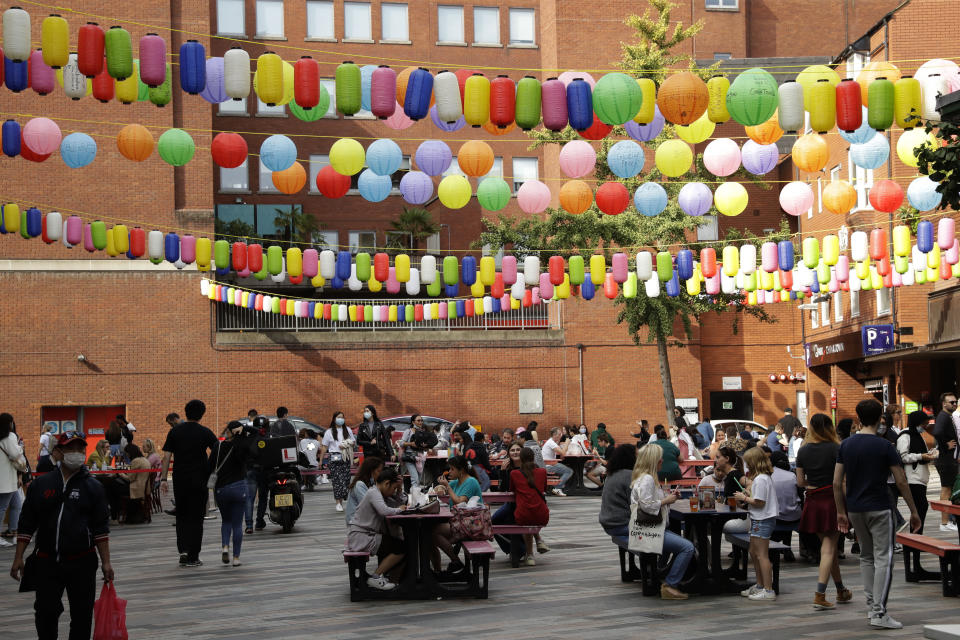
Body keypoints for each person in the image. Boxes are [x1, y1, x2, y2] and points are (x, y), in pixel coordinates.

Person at [10, 430, 114, 640]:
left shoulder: (93, 487)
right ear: (58, 452)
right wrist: (18, 556)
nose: (76, 452)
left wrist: (106, 562)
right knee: (45, 614)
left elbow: (100, 527)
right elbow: (27, 522)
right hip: (47, 561)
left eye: (80, 448)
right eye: (70, 448)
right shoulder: (42, 484)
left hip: (82, 561)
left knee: (82, 617)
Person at [833, 399, 921, 630]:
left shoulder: (846, 445)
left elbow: (836, 482)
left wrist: (841, 511)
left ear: (858, 417)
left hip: (854, 508)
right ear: (880, 417)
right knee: (884, 558)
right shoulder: (885, 446)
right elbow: (900, 480)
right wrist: (913, 510)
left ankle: (872, 605)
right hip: (880, 506)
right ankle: (879, 612)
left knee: (867, 557)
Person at [796, 413, 851, 610]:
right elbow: (842, 481)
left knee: (829, 548)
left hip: (813, 500)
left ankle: (841, 590)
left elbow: (800, 482)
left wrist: (813, 484)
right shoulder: (837, 448)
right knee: (829, 548)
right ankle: (820, 594)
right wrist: (848, 506)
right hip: (832, 499)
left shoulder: (803, 450)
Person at [631, 444, 694, 600]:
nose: (662, 461)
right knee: (687, 547)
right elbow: (646, 506)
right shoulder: (647, 479)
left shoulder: (644, 477)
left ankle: (661, 573)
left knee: (677, 544)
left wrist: (668, 498)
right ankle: (670, 584)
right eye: (660, 458)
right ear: (654, 460)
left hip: (650, 528)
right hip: (652, 530)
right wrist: (667, 500)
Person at [160, 399, 219, 567]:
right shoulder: (205, 432)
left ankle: (183, 550)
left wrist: (164, 479)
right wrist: (210, 468)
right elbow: (217, 450)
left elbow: (166, 456)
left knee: (182, 515)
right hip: (200, 479)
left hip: (180, 479)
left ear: (185, 412)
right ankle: (194, 555)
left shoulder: (175, 432)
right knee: (197, 517)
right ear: (202, 414)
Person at [345, 467, 407, 590]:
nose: (394, 491)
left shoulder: (378, 492)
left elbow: (396, 503)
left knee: (399, 545)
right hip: (362, 537)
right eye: (394, 488)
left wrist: (399, 489)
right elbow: (385, 510)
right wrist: (400, 510)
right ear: (386, 483)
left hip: (366, 535)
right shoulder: (374, 493)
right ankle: (376, 577)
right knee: (401, 548)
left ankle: (390, 578)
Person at [733, 446, 780, 601]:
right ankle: (761, 585)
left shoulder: (760, 479)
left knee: (761, 555)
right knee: (754, 551)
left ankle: (768, 589)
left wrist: (744, 497)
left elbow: (759, 502)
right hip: (759, 518)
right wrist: (748, 493)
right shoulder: (763, 478)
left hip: (762, 519)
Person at [897, 410, 938, 574]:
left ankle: (916, 542)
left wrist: (929, 455)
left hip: (921, 478)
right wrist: (921, 456)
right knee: (919, 510)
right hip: (912, 479)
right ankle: (913, 543)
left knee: (921, 510)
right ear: (916, 422)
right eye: (923, 424)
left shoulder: (917, 435)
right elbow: (903, 456)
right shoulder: (905, 435)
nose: (925, 426)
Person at [211, 421, 253, 567]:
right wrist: (244, 430)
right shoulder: (241, 446)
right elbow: (256, 434)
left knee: (226, 521)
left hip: (221, 489)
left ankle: (224, 547)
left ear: (227, 431)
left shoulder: (218, 445)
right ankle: (236, 558)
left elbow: (210, 466)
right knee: (237, 524)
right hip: (239, 488)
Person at [432, 456, 483, 574]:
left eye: (452, 469)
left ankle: (455, 562)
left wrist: (447, 487)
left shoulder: (471, 482)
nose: (449, 472)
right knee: (428, 533)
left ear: (461, 470)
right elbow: (442, 488)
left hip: (472, 524)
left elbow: (460, 501)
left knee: (433, 532)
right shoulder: (457, 482)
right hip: (460, 522)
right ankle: (437, 571)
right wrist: (439, 487)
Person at [510, 448, 549, 567]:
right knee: (530, 516)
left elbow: (511, 490)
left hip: (523, 514)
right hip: (542, 514)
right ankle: (538, 541)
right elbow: (544, 489)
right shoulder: (542, 472)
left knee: (526, 515)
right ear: (533, 458)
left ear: (520, 459)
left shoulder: (514, 473)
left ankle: (530, 554)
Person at [598, 444, 638, 545]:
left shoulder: (612, 473)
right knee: (682, 546)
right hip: (622, 524)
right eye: (637, 456)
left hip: (607, 521)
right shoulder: (629, 475)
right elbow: (636, 504)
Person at [932, 391, 959, 532]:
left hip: (949, 459)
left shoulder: (947, 416)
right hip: (946, 460)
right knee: (946, 489)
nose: (954, 404)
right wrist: (945, 445)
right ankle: (944, 522)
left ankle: (948, 520)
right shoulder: (943, 416)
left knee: (948, 489)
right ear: (944, 404)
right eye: (951, 402)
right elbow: (937, 432)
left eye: (955, 402)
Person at [768, 450, 801, 559]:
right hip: (794, 516)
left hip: (776, 518)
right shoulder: (792, 475)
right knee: (789, 512)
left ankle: (775, 547)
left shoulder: (769, 476)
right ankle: (787, 548)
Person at [321, 411, 356, 512]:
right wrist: (321, 460)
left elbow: (353, 442)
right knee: (337, 481)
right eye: (338, 417)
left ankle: (342, 498)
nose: (341, 419)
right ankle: (338, 503)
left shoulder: (348, 430)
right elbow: (324, 447)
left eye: (342, 417)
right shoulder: (329, 432)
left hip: (345, 457)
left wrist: (346, 444)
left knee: (345, 480)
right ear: (334, 419)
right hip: (334, 457)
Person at [0, 414, 25, 549]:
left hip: (7, 479)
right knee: (3, 508)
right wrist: (20, 446)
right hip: (7, 480)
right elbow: (16, 454)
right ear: (10, 423)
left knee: (16, 503)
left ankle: (15, 533)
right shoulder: (10, 436)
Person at [245, 415, 270, 533]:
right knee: (263, 497)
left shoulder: (248, 438)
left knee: (249, 498)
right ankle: (259, 522)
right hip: (263, 471)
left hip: (249, 470)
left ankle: (249, 525)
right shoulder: (267, 437)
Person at [398, 415, 435, 488]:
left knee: (419, 479)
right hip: (410, 457)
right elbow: (401, 443)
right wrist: (411, 444)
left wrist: (426, 447)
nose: (420, 422)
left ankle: (416, 496)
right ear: (413, 422)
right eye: (418, 420)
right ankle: (415, 497)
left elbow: (425, 447)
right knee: (415, 479)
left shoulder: (424, 432)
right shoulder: (408, 431)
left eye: (421, 420)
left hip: (420, 457)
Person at [345, 457, 383, 526]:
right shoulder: (360, 484)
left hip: (364, 520)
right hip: (356, 524)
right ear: (371, 471)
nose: (380, 474)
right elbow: (368, 505)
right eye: (378, 471)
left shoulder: (371, 483)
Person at [123, 444, 151, 525]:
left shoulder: (135, 461)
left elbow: (130, 478)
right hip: (144, 487)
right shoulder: (144, 459)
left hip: (137, 488)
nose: (126, 455)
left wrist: (121, 474)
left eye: (127, 453)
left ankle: (116, 515)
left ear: (130, 452)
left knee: (114, 488)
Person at [542, 427, 573, 496]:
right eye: (559, 434)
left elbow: (560, 453)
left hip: (549, 464)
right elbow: (563, 453)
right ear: (554, 435)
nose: (560, 436)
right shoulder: (551, 443)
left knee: (566, 469)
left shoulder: (551, 442)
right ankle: (557, 488)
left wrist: (561, 453)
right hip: (548, 466)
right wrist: (567, 443)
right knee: (569, 471)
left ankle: (561, 487)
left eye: (560, 434)